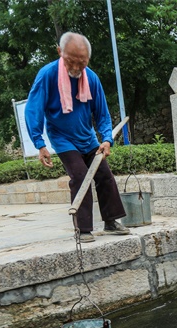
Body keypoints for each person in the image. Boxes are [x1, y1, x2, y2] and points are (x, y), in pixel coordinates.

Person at [25, 31, 130, 243]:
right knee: (81, 176)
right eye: (71, 61)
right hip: (62, 139)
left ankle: (111, 221)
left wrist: (106, 139)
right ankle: (83, 230)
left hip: (87, 138)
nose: (75, 68)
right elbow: (33, 109)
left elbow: (102, 114)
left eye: (82, 63)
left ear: (88, 59)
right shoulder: (47, 75)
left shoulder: (91, 78)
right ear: (60, 52)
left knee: (104, 175)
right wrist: (40, 144)